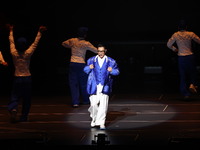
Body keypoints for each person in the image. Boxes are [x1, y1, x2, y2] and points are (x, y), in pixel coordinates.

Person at [7, 24, 47, 123]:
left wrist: (11, 31)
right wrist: (39, 32)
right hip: (27, 78)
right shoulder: (28, 53)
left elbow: (11, 42)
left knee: (15, 96)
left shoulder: (14, 53)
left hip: (17, 77)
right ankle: (24, 116)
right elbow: (35, 43)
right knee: (26, 98)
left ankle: (14, 108)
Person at [84, 44, 120, 130]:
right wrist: (89, 68)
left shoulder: (111, 61)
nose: (100, 53)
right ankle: (94, 118)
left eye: (102, 51)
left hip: (105, 85)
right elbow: (85, 70)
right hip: (94, 85)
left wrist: (112, 70)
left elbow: (117, 72)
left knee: (103, 105)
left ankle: (101, 123)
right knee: (93, 104)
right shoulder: (91, 60)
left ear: (105, 51)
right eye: (99, 51)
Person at [61, 27, 98, 108]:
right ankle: (85, 100)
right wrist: (103, 50)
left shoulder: (72, 40)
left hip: (73, 63)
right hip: (81, 63)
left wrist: (70, 46)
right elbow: (96, 51)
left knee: (73, 84)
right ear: (85, 35)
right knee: (83, 83)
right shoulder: (86, 43)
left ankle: (75, 102)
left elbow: (63, 43)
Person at [167, 19, 200, 99]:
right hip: (190, 56)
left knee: (183, 76)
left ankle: (186, 94)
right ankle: (193, 84)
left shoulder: (176, 35)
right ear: (186, 27)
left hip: (181, 57)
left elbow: (168, 44)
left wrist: (175, 49)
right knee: (193, 72)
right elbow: (199, 41)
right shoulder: (190, 34)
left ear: (178, 27)